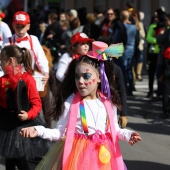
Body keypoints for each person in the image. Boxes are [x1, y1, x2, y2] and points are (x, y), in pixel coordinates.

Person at [20, 41, 142, 170]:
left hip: (105, 159)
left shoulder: (108, 101)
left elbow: (115, 130)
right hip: (78, 158)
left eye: (86, 76)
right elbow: (60, 132)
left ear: (100, 77)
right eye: (77, 77)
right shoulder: (71, 102)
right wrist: (40, 130)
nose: (80, 81)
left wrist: (128, 135)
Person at [0, 45, 52, 170]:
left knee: (18, 158)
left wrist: (28, 115)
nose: (0, 64)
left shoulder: (27, 79)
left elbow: (36, 103)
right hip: (6, 123)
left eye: (2, 60)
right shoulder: (2, 80)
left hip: (22, 124)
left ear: (11, 61)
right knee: (10, 159)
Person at [3, 11, 49, 85]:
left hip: (29, 77)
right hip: (11, 78)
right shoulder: (7, 41)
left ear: (28, 26)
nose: (20, 29)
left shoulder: (33, 40)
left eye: (23, 26)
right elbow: (3, 60)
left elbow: (40, 57)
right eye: (17, 26)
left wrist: (45, 72)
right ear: (13, 26)